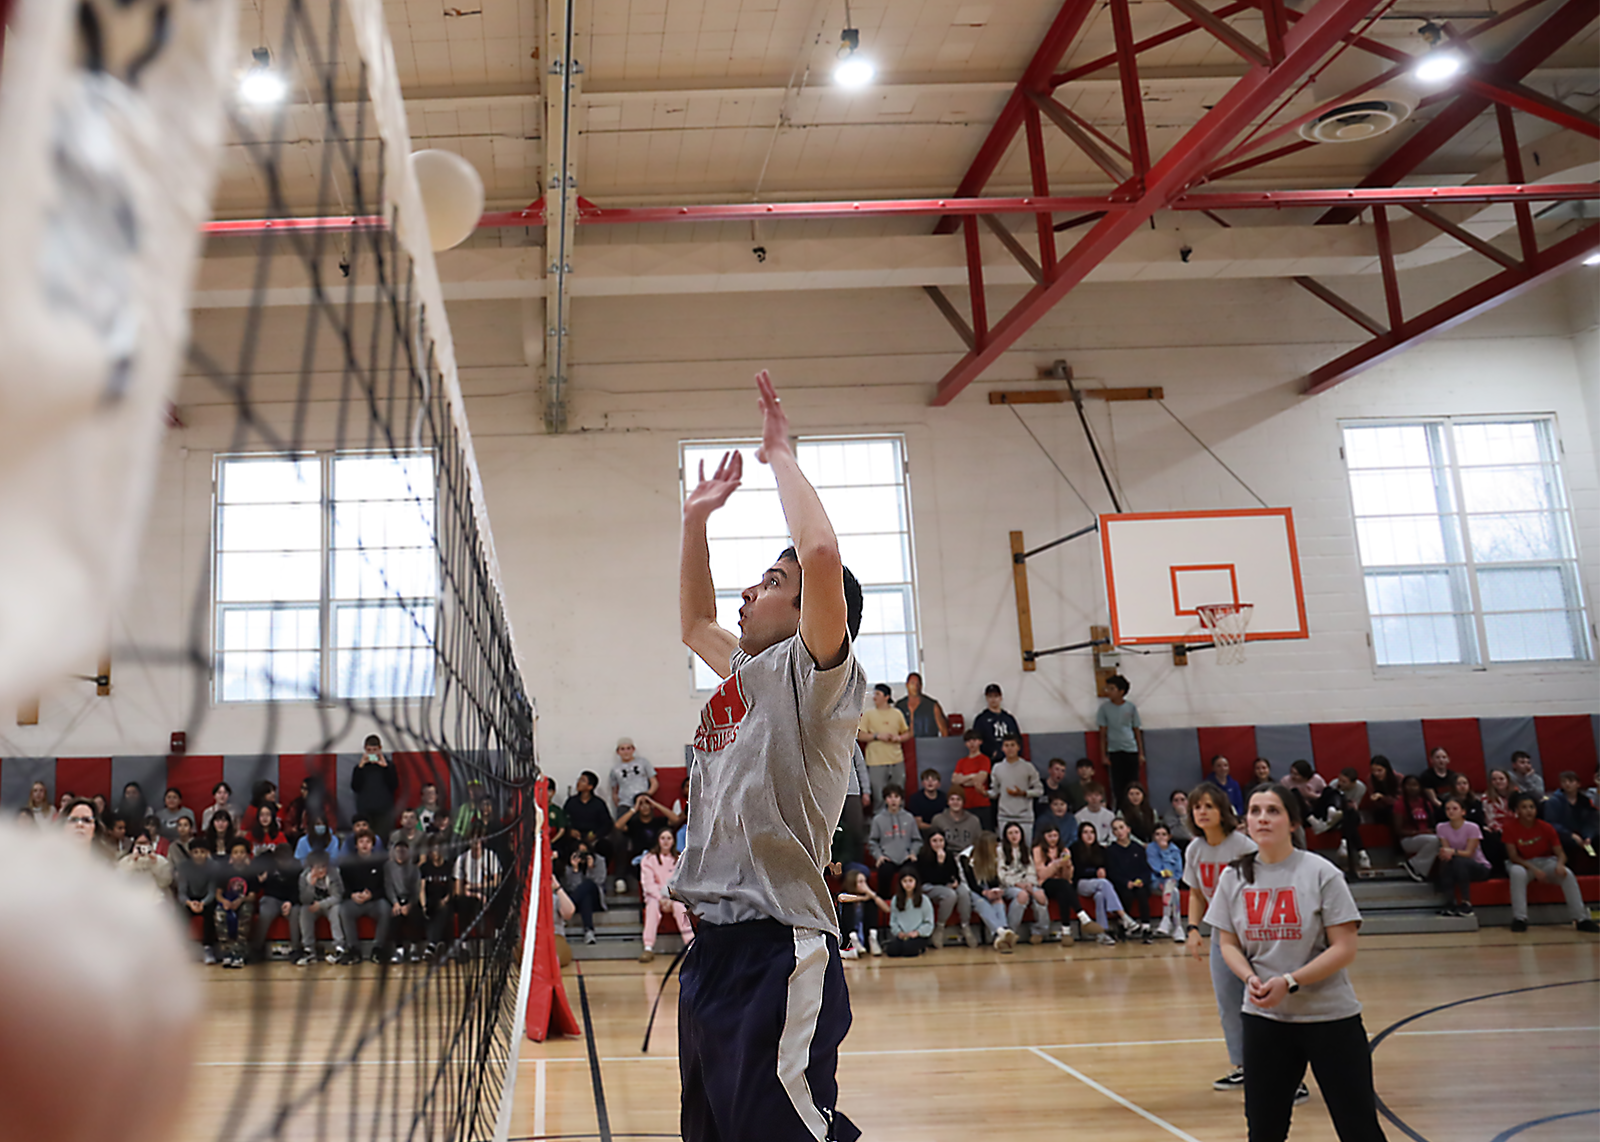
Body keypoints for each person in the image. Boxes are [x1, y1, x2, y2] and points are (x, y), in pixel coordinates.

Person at [672, 373, 868, 1142]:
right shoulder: (741, 672)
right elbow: (694, 620)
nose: (752, 590)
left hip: (777, 945)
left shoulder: (817, 674)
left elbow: (820, 552)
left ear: (809, 610)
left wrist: (780, 454)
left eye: (773, 582)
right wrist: (695, 520)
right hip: (711, 950)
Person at [1207, 784, 1386, 1142]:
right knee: (1264, 1131)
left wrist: (1289, 981)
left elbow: (1345, 948)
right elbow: (1227, 943)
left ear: (1293, 822)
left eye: (1273, 810)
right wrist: (1249, 978)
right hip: (1264, 1021)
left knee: (1359, 1128)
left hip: (1329, 1018)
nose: (1262, 818)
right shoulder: (1233, 877)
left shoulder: (1321, 873)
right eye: (1255, 810)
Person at [1183, 782, 1259, 1094]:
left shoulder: (1243, 846)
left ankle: (1286, 1072)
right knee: (1229, 1003)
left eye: (1209, 806)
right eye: (1197, 806)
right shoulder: (1194, 849)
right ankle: (1243, 1066)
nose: (1202, 811)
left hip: (1253, 934)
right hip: (1220, 935)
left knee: (1263, 1002)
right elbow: (1196, 893)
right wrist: (1192, 928)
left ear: (1222, 811)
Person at [1502, 793, 1599, 934]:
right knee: (1517, 873)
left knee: (1568, 875)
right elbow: (1514, 856)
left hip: (1545, 861)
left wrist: (1560, 865)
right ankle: (1519, 918)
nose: (1529, 810)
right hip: (1522, 864)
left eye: (1531, 807)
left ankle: (1581, 919)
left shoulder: (1546, 827)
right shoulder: (1509, 827)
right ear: (1517, 810)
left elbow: (1560, 854)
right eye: (1524, 807)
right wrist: (1534, 870)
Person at [639, 827, 694, 963]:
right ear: (658, 840)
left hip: (673, 897)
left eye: (668, 838)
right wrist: (660, 898)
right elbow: (648, 884)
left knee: (680, 908)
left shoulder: (679, 859)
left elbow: (681, 883)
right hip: (655, 897)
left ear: (673, 841)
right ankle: (648, 948)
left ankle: (691, 946)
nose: (665, 841)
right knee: (652, 907)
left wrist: (671, 898)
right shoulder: (649, 859)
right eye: (663, 838)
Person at [956, 831, 1015, 951]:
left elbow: (992, 878)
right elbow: (970, 883)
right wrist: (985, 893)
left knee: (998, 900)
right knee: (980, 902)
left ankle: (1000, 936)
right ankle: (1001, 930)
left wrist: (994, 891)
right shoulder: (965, 857)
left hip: (984, 885)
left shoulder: (993, 855)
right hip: (967, 888)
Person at [337, 831, 389, 965]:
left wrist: (372, 895)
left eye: (368, 842)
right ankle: (354, 950)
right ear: (356, 845)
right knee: (344, 910)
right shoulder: (347, 864)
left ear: (373, 845)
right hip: (355, 901)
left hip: (374, 901)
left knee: (385, 909)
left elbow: (385, 887)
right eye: (361, 842)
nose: (365, 845)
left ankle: (378, 949)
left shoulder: (381, 863)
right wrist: (352, 895)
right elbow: (343, 888)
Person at [857, 682, 912, 808]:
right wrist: (877, 736)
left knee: (898, 793)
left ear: (886, 697)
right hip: (875, 762)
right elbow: (859, 735)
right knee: (879, 796)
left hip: (896, 760)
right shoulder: (868, 714)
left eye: (877, 694)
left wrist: (898, 738)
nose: (874, 697)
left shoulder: (897, 713)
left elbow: (907, 733)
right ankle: (880, 824)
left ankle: (900, 822)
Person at [1068, 822, 1123, 947]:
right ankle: (1122, 915)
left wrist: (1103, 871)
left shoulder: (1101, 850)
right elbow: (1077, 871)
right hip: (1081, 884)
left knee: (1100, 895)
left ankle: (1101, 933)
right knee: (1104, 884)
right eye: (1085, 832)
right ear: (1080, 835)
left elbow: (1107, 868)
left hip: (1098, 884)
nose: (1089, 835)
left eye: (1092, 832)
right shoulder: (1074, 849)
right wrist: (1095, 872)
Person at [1435, 797, 1491, 918]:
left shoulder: (1472, 827)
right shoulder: (1441, 827)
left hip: (1478, 866)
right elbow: (1446, 852)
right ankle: (1450, 902)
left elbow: (1469, 853)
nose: (1451, 811)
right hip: (1455, 864)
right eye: (1448, 809)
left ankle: (1466, 902)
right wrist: (1448, 853)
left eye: (1455, 808)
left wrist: (1452, 851)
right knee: (1446, 861)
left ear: (1463, 811)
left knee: (1460, 861)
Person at [1096, 674, 1145, 808]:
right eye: (1108, 688)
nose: (1108, 691)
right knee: (1117, 785)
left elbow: (1136, 730)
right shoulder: (1104, 709)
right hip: (1114, 750)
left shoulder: (1131, 707)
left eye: (1112, 689)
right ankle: (1120, 810)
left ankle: (1135, 809)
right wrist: (1103, 754)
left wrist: (1140, 752)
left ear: (1121, 691)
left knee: (1133, 783)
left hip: (1131, 749)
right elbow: (1103, 733)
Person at [997, 820, 1049, 944]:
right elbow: (1001, 875)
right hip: (1008, 885)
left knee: (1040, 895)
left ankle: (1039, 931)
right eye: (1010, 833)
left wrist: (1029, 885)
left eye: (1016, 832)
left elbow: (1031, 871)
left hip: (1027, 883)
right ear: (1005, 836)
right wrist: (1017, 884)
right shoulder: (1000, 850)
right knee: (1022, 895)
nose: (1014, 836)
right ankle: (1010, 933)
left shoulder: (1026, 849)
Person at [453, 829, 502, 956]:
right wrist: (474, 894)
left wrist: (478, 887)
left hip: (486, 889)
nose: (476, 843)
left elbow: (496, 882)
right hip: (469, 893)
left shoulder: (490, 856)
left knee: (500, 898)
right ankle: (463, 945)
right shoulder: (462, 859)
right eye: (472, 839)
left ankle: (498, 936)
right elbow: (458, 889)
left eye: (478, 839)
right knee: (462, 903)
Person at [915, 831, 968, 948]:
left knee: (963, 891)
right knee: (950, 895)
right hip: (928, 886)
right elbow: (930, 878)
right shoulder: (923, 856)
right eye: (935, 841)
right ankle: (940, 927)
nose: (938, 844)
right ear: (929, 843)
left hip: (945, 884)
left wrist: (955, 882)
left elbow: (955, 873)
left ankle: (965, 926)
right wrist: (940, 863)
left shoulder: (948, 854)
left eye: (941, 841)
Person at [866, 784, 921, 897]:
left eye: (896, 796)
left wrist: (913, 853)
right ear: (885, 800)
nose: (893, 800)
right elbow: (872, 842)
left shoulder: (909, 818)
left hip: (906, 857)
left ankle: (913, 903)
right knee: (884, 872)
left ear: (901, 799)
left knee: (913, 870)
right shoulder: (878, 819)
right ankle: (884, 905)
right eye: (890, 797)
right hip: (887, 858)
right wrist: (879, 856)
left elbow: (917, 840)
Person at [1105, 818, 1153, 942]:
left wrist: (1142, 880)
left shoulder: (1137, 848)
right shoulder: (1111, 850)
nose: (1119, 831)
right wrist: (1126, 882)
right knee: (1126, 895)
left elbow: (1145, 869)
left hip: (1138, 882)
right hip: (1122, 883)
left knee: (1142, 893)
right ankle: (1123, 925)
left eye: (1121, 827)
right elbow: (1112, 872)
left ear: (1128, 829)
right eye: (1115, 829)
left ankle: (1146, 928)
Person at [250, 845, 301, 962]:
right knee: (265, 913)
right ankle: (257, 948)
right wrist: (260, 877)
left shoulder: (297, 867)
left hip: (290, 900)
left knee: (295, 913)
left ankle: (296, 949)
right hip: (271, 898)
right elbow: (256, 865)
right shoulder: (268, 862)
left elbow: (299, 889)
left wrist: (291, 902)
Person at [215, 840, 258, 970]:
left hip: (243, 902)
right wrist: (224, 902)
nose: (239, 855)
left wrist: (241, 900)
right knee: (219, 913)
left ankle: (239, 953)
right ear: (231, 856)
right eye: (235, 852)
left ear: (247, 855)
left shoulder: (251, 871)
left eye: (241, 852)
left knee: (245, 912)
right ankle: (226, 952)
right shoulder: (224, 871)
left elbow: (253, 895)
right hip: (227, 902)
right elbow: (218, 893)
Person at [989, 734, 1043, 839]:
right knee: (1005, 849)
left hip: (1024, 816)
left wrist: (1023, 793)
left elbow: (1039, 790)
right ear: (1002, 748)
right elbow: (995, 792)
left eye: (1012, 745)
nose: (1009, 748)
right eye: (1006, 745)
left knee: (1025, 849)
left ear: (1018, 747)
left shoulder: (1028, 767)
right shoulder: (997, 767)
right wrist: (984, 793)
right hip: (1004, 816)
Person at [175, 836, 218, 962]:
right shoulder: (184, 867)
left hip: (207, 899)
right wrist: (190, 903)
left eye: (202, 852)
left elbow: (212, 891)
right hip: (190, 898)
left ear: (207, 853)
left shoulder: (214, 866)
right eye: (196, 852)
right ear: (190, 853)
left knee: (210, 913)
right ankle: (182, 947)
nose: (199, 855)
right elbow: (181, 892)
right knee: (180, 912)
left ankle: (208, 948)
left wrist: (202, 903)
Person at [1031, 824, 1075, 944]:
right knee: (1063, 886)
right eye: (1049, 836)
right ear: (1044, 836)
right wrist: (1056, 864)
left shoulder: (1064, 850)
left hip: (1061, 884)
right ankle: (1081, 916)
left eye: (1055, 835)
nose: (1053, 839)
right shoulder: (1038, 850)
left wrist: (1067, 866)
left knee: (1064, 890)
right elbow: (1042, 875)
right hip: (1044, 883)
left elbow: (1067, 878)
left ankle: (1066, 931)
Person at [562, 771, 616, 867]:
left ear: (590, 787)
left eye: (582, 781)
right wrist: (570, 831)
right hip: (576, 837)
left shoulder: (599, 803)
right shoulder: (571, 802)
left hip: (593, 838)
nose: (578, 783)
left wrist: (596, 835)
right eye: (579, 780)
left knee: (605, 846)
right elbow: (564, 820)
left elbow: (607, 824)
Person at [1542, 770, 1600, 860]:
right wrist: (1571, 835)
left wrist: (1588, 836)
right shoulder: (1553, 801)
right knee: (1567, 842)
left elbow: (1591, 820)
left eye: (1571, 781)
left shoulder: (1584, 801)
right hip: (1564, 834)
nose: (1567, 784)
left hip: (1582, 832)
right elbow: (1551, 823)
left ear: (1578, 784)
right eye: (1564, 782)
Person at [383, 838, 424, 963]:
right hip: (396, 901)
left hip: (411, 901)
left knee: (416, 915)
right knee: (394, 915)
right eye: (398, 851)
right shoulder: (388, 867)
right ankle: (399, 949)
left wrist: (409, 905)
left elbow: (416, 890)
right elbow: (388, 886)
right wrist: (395, 903)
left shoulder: (414, 868)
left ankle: (413, 949)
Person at [352, 734, 399, 840]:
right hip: (365, 811)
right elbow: (355, 787)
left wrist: (385, 767)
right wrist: (361, 766)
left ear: (380, 749)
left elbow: (394, 785)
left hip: (384, 811)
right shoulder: (359, 768)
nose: (372, 752)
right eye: (369, 750)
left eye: (375, 750)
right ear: (365, 749)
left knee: (382, 839)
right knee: (365, 839)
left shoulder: (389, 766)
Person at [1394, 775, 1439, 883]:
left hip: (1426, 837)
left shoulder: (1426, 803)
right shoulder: (1399, 804)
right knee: (1435, 840)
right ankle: (1413, 865)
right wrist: (1418, 832)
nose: (1412, 788)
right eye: (1408, 785)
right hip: (1408, 839)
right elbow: (1398, 830)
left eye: (1415, 785)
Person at [560, 843, 606, 946]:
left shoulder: (599, 861)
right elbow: (572, 887)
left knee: (588, 884)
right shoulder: (570, 866)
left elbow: (599, 881)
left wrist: (591, 868)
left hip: (596, 898)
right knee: (586, 898)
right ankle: (589, 931)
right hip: (580, 902)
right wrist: (575, 870)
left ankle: (568, 905)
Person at [421, 838, 460, 958]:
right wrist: (423, 905)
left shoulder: (449, 866)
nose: (435, 853)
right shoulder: (425, 867)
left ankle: (432, 945)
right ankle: (440, 944)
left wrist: (446, 899)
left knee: (443, 910)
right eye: (432, 850)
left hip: (446, 900)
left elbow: (454, 888)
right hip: (430, 900)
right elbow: (421, 888)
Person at [884, 868, 934, 957]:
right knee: (892, 951)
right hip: (903, 935)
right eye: (905, 881)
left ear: (916, 882)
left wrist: (917, 932)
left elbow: (929, 923)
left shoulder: (924, 900)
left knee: (909, 950)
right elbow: (893, 921)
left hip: (918, 935)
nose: (908, 884)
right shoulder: (896, 900)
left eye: (910, 881)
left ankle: (921, 948)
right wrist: (899, 933)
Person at [951, 729, 995, 830]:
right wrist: (972, 776)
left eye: (974, 740)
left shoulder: (984, 759)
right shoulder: (961, 761)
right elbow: (954, 780)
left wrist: (963, 778)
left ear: (980, 741)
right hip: (965, 804)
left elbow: (980, 779)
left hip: (982, 804)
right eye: (968, 741)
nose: (971, 743)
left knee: (985, 834)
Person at [1147, 823, 1185, 940]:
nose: (1161, 837)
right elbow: (1158, 869)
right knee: (1173, 889)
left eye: (1164, 834)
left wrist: (1170, 876)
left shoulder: (1175, 850)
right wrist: (1164, 851)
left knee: (1173, 889)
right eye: (1157, 834)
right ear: (1153, 836)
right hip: (1156, 883)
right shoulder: (1151, 849)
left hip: (1172, 883)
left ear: (1169, 836)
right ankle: (1178, 927)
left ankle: (1167, 920)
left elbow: (1178, 872)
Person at [970, 684, 1020, 762]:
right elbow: (976, 741)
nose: (993, 699)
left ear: (1000, 698)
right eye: (990, 696)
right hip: (991, 760)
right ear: (986, 698)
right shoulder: (981, 719)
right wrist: (992, 753)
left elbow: (1018, 739)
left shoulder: (1009, 718)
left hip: (1010, 759)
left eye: (996, 696)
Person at [609, 736, 659, 809]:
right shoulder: (615, 769)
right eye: (622, 749)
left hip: (643, 801)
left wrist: (647, 795)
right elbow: (614, 790)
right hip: (624, 802)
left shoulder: (643, 762)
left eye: (628, 748)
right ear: (618, 752)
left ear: (633, 749)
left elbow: (654, 782)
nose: (626, 752)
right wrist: (616, 802)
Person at [895, 672, 949, 738]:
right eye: (912, 683)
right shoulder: (899, 706)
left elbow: (944, 731)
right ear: (907, 685)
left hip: (928, 744)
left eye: (918, 684)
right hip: (905, 744)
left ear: (921, 686)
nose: (915, 686)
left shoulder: (932, 705)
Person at [930, 789, 984, 854]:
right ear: (948, 802)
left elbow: (979, 843)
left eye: (958, 799)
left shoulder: (974, 820)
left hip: (967, 855)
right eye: (952, 799)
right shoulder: (938, 819)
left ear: (963, 802)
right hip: (946, 855)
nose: (955, 802)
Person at [1481, 768, 1515, 870]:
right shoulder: (1486, 798)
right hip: (1498, 829)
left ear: (1507, 780)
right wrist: (1503, 830)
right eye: (1494, 779)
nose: (1498, 782)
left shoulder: (1516, 795)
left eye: (1501, 778)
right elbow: (1490, 819)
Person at [905, 768, 945, 837]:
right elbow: (918, 824)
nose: (930, 782)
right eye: (927, 780)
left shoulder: (944, 797)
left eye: (934, 780)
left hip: (942, 833)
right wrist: (935, 828)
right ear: (922, 783)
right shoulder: (915, 798)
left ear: (939, 784)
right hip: (922, 834)